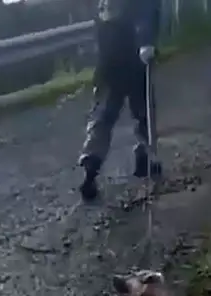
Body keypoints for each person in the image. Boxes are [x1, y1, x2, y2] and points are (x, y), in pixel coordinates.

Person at [78, 0, 163, 201]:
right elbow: (146, 10)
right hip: (130, 57)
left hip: (111, 59)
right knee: (141, 112)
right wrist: (146, 40)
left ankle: (93, 164)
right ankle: (144, 156)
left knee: (104, 116)